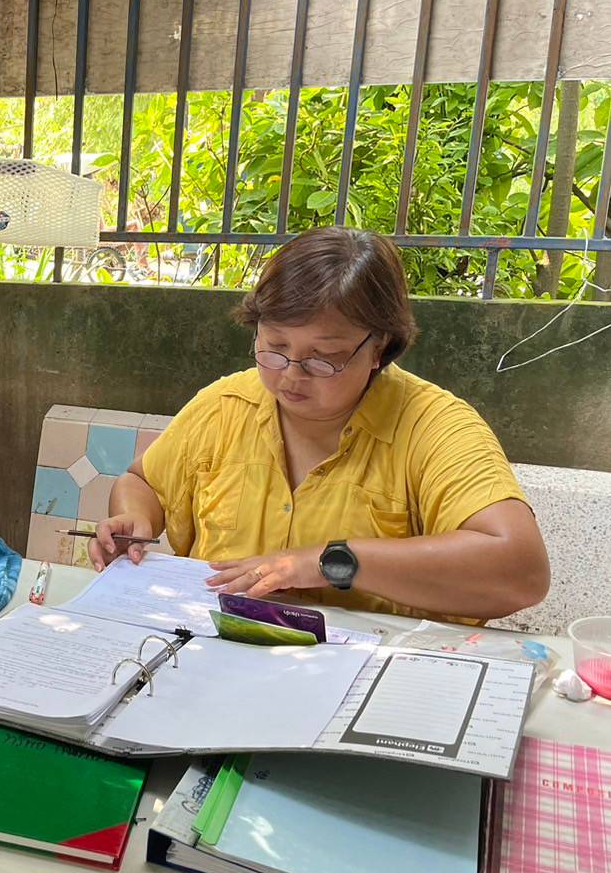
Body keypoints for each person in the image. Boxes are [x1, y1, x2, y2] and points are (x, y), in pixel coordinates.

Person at [89, 227, 549, 623]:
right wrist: (137, 518)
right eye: (274, 345)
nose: (290, 374)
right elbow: (142, 481)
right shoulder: (226, 405)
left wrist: (330, 563)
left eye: (323, 358)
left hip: (371, 675)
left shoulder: (434, 427)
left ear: (379, 348)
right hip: (216, 650)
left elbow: (520, 571)